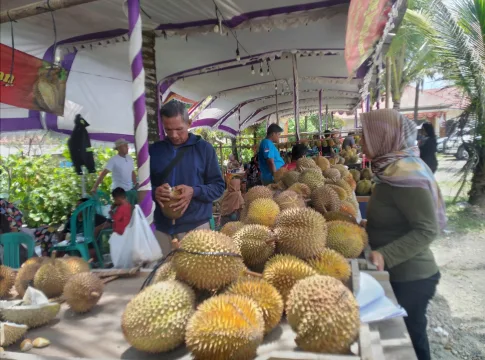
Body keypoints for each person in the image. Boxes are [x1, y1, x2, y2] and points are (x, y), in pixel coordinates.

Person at [361, 109, 445, 360]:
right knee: (398, 340)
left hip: (412, 276)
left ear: (382, 136)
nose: (362, 142)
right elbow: (397, 216)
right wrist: (370, 225)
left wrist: (385, 254)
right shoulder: (390, 169)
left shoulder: (406, 173)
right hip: (398, 274)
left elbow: (427, 229)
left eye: (365, 136)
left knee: (410, 343)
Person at [150, 100, 225, 255]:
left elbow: (218, 187)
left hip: (196, 229)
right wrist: (154, 191)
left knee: (199, 278)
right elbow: (141, 189)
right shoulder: (155, 151)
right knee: (163, 276)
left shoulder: (204, 149)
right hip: (162, 231)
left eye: (179, 129)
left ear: (189, 123)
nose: (174, 135)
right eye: (168, 130)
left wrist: (194, 191)